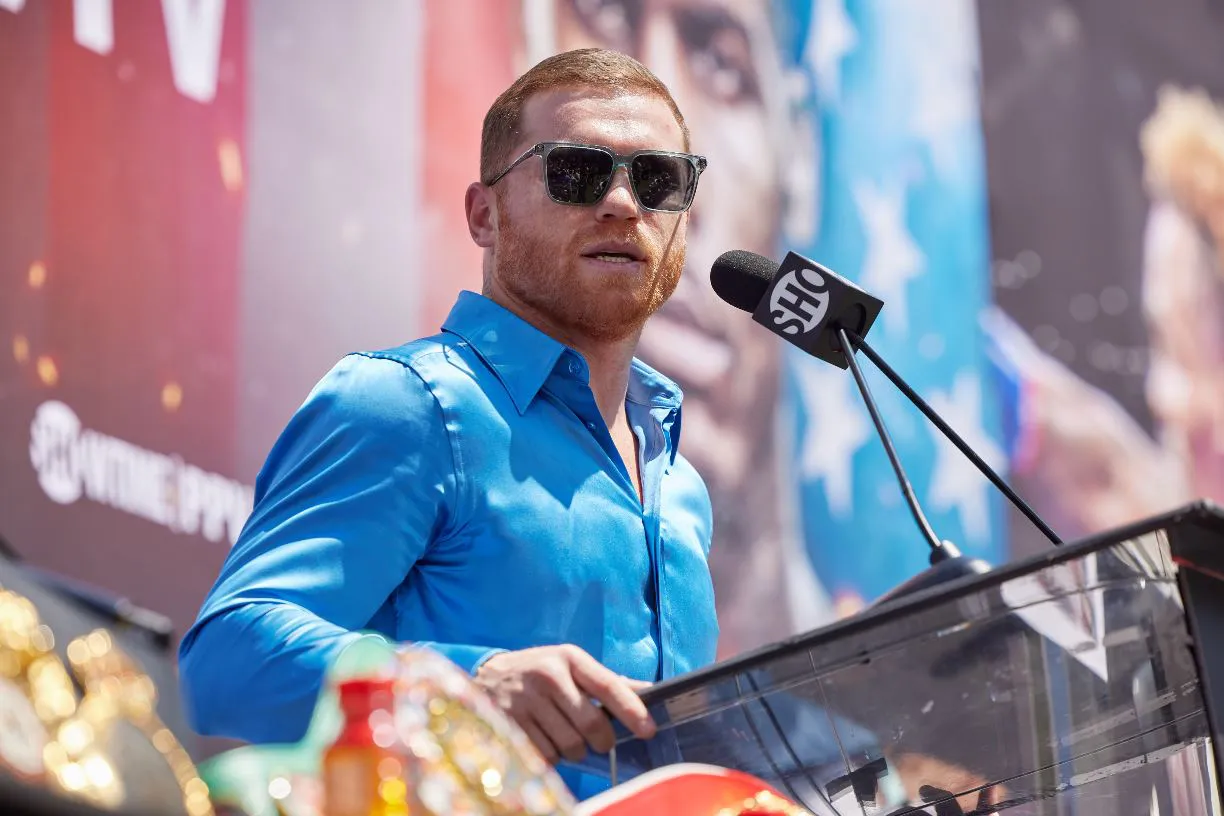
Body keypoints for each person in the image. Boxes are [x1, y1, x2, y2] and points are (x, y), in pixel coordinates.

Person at [178, 48, 720, 802]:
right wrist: (468, 685)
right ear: (483, 215)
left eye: (658, 179)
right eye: (576, 172)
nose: (625, 204)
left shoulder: (682, 487)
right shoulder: (409, 403)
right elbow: (226, 666)